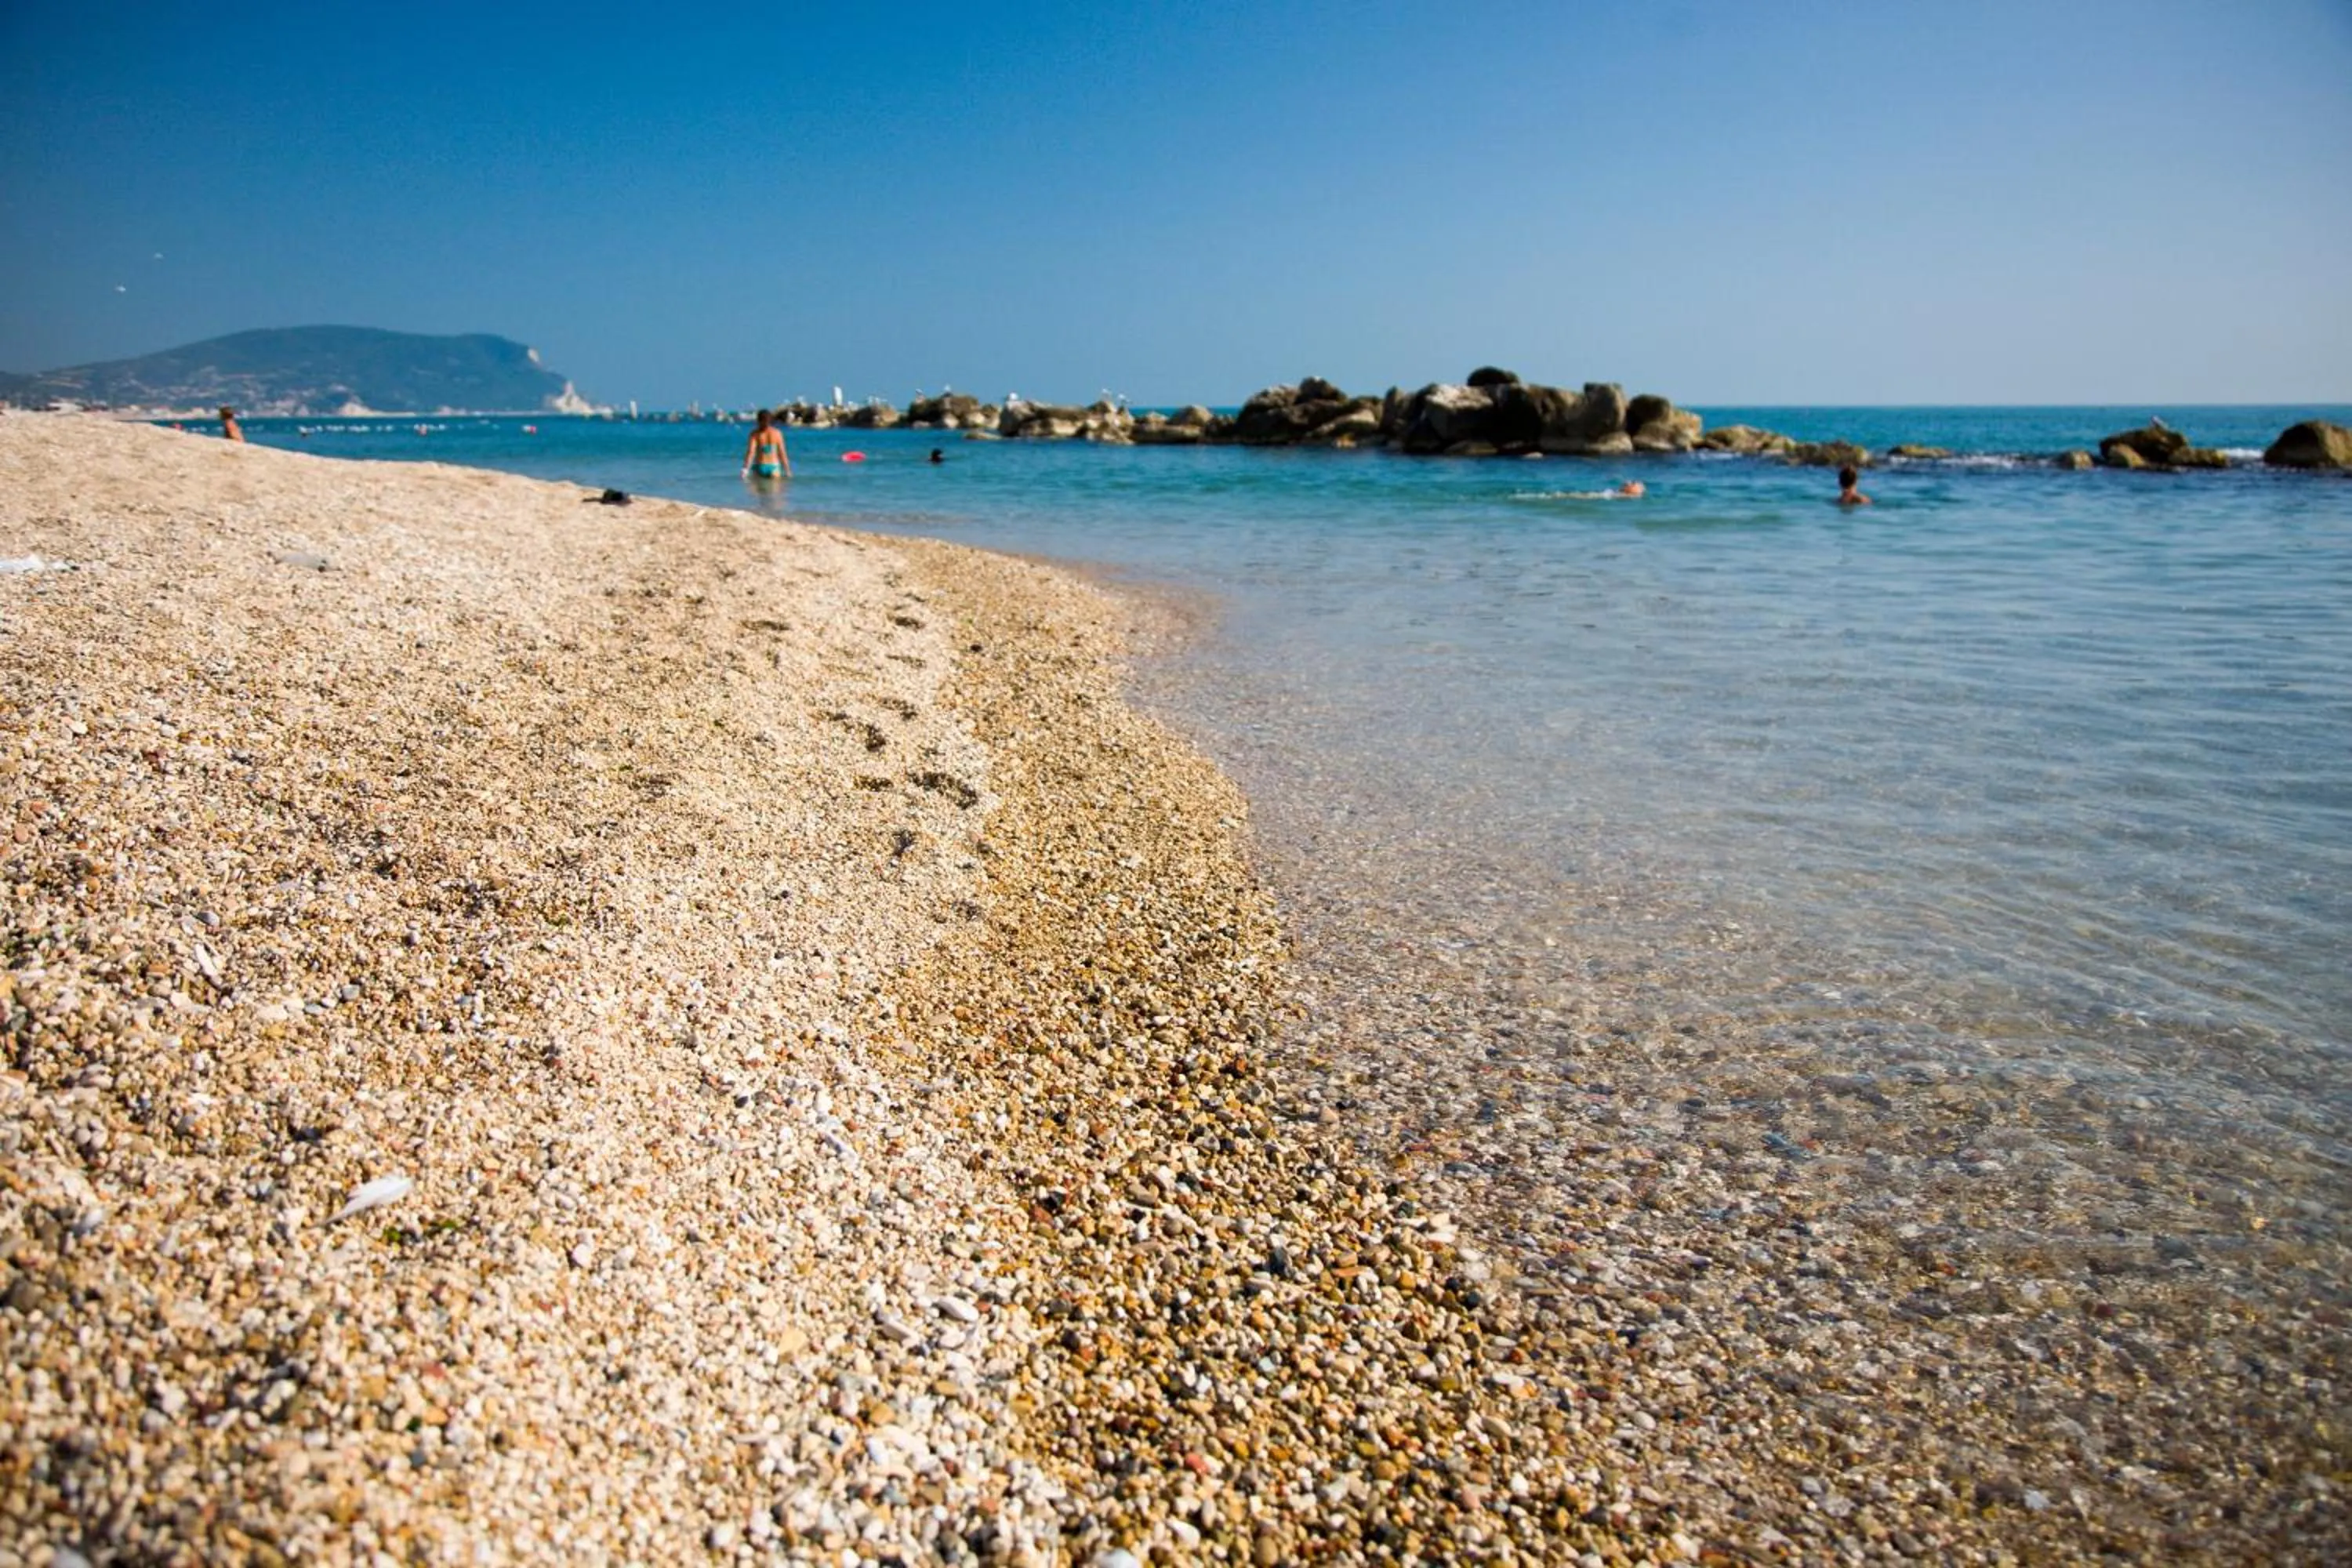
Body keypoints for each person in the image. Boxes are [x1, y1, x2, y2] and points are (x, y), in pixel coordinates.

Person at [742, 408, 792, 481]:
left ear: (759, 421)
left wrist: (745, 469)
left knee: (758, 490)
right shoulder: (777, 433)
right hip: (774, 467)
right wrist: (788, 470)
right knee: (774, 491)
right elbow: (782, 453)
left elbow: (751, 452)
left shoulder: (755, 434)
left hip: (759, 466)